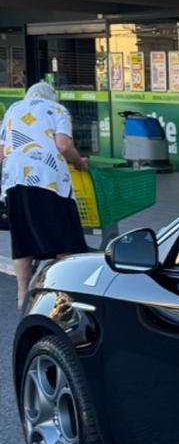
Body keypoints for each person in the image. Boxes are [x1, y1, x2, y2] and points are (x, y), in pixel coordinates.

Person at [0, 81, 91, 304]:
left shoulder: (13, 109)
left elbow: (2, 151)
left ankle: (22, 293)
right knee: (64, 236)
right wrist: (80, 164)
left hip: (15, 178)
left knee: (21, 237)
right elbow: (63, 145)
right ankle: (63, 291)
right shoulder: (57, 109)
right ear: (53, 97)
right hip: (47, 179)